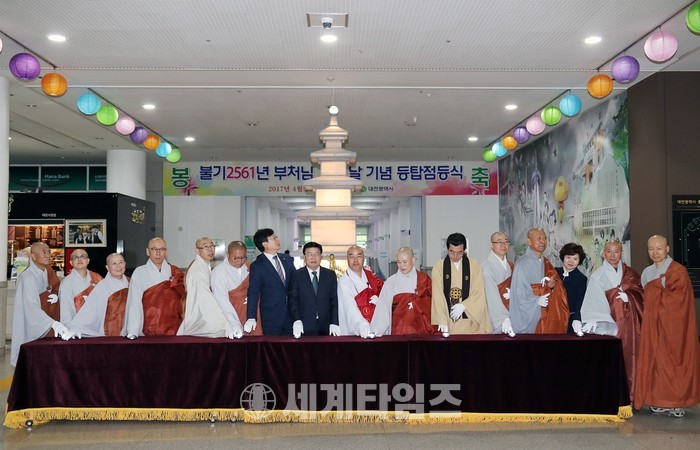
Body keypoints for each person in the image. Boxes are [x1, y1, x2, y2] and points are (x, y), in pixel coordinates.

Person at [633, 235, 700, 418]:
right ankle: (658, 399)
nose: (655, 252)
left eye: (659, 248)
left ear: (667, 249)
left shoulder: (678, 271)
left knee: (673, 362)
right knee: (656, 362)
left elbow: (679, 301)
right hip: (653, 325)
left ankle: (676, 401)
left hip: (673, 326)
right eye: (651, 249)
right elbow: (645, 298)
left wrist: (656, 293)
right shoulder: (647, 272)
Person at [580, 240, 643, 401]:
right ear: (603, 254)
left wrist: (630, 297)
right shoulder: (597, 276)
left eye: (616, 251)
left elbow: (641, 294)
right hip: (609, 324)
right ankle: (611, 396)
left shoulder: (631, 274)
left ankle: (631, 395)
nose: (613, 255)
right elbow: (593, 301)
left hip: (630, 324)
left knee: (631, 357)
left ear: (622, 253)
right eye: (609, 251)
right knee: (611, 359)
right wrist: (597, 320)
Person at [10, 242, 69, 366]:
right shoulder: (27, 278)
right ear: (33, 256)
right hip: (33, 324)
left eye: (49, 252)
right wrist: (53, 324)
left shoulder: (47, 271)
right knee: (32, 362)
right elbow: (31, 308)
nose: (48, 255)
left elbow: (56, 286)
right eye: (44, 252)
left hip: (45, 319)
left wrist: (56, 295)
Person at [122, 237, 186, 338]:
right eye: (154, 249)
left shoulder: (175, 272)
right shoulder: (140, 272)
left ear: (166, 252)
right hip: (148, 327)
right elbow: (134, 303)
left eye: (162, 249)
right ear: (148, 251)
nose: (158, 253)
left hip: (172, 327)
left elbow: (183, 301)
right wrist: (133, 330)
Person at [509, 228, 569, 334]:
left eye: (545, 238)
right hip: (532, 312)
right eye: (539, 238)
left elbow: (555, 285)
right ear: (529, 241)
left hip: (545, 312)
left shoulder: (546, 262)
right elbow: (519, 294)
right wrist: (536, 301)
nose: (542, 241)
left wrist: (551, 286)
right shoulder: (521, 264)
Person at [431, 233, 492, 334]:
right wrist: (441, 319)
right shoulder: (439, 267)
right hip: (448, 322)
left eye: (459, 253)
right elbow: (437, 295)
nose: (455, 256)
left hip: (470, 322)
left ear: (464, 250)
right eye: (452, 252)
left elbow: (478, 292)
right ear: (447, 249)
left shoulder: (475, 266)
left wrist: (464, 305)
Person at [177, 237, 236, 338]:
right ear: (197, 250)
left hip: (202, 311)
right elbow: (205, 298)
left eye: (212, 246)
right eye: (205, 247)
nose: (210, 250)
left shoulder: (204, 265)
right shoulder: (197, 271)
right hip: (199, 315)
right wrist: (224, 321)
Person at [244, 229, 295, 336]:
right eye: (274, 238)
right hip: (271, 317)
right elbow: (253, 292)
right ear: (265, 244)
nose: (278, 240)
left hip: (291, 316)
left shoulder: (287, 259)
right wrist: (251, 317)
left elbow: (295, 285)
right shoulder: (257, 266)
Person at [67, 253, 130, 337]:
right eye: (114, 263)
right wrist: (77, 328)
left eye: (121, 262)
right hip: (110, 330)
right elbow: (89, 310)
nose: (118, 266)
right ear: (107, 267)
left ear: (125, 264)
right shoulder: (102, 286)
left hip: (129, 328)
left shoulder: (131, 283)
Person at [377, 246, 435, 335]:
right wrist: (377, 331)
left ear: (413, 260)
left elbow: (433, 304)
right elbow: (382, 309)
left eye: (405, 262)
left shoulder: (424, 280)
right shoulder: (390, 282)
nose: (402, 265)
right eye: (399, 262)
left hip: (421, 331)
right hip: (398, 331)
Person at [287, 242, 339, 338]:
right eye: (310, 254)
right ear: (304, 257)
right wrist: (296, 320)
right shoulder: (296, 275)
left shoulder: (330, 275)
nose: (313, 257)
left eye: (316, 254)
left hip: (327, 326)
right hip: (303, 326)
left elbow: (334, 300)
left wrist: (334, 322)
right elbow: (293, 300)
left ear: (321, 257)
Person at [211, 240, 262, 336]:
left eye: (243, 258)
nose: (240, 261)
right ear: (228, 255)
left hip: (251, 313)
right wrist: (234, 324)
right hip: (232, 314)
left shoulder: (249, 266)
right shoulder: (218, 273)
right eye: (236, 258)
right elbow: (222, 301)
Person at [337, 245, 385, 338]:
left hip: (376, 327)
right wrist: (362, 325)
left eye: (359, 256)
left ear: (363, 258)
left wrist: (380, 302)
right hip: (356, 331)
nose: (355, 260)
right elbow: (350, 309)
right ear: (347, 259)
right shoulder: (344, 282)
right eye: (352, 257)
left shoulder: (371, 276)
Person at [482, 232, 515, 335]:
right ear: (491, 245)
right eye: (499, 242)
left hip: (512, 311)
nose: (503, 245)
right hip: (496, 316)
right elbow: (491, 296)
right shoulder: (486, 267)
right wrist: (503, 318)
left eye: (506, 242)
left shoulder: (511, 265)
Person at [59, 249, 103, 324]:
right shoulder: (66, 283)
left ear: (88, 261)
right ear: (71, 262)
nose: (79, 259)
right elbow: (66, 310)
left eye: (83, 256)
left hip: (97, 323)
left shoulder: (97, 278)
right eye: (76, 257)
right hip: (77, 325)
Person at [555, 242, 588, 334]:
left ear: (579, 261)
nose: (571, 261)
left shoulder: (581, 278)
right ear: (563, 257)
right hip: (553, 316)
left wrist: (577, 318)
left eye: (575, 259)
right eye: (568, 257)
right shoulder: (554, 272)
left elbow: (580, 301)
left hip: (570, 319)